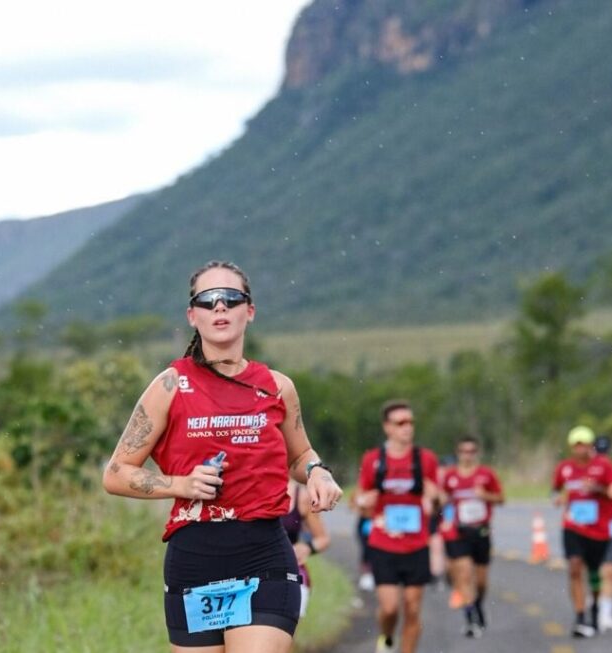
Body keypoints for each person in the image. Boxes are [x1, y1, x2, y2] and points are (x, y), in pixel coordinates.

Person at [102, 260, 343, 652]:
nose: (219, 307)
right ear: (192, 315)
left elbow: (300, 456)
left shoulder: (277, 387)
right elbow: (115, 473)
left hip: (264, 557)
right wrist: (181, 484)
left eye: (231, 298)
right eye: (207, 300)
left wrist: (318, 472)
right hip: (195, 561)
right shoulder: (170, 385)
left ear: (249, 311)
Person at [355, 399, 439, 653]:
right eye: (401, 423)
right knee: (390, 608)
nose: (407, 427)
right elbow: (359, 501)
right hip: (383, 543)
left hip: (416, 544)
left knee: (412, 608)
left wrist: (434, 497)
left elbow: (437, 503)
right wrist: (363, 501)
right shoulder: (373, 460)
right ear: (387, 428)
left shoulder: (425, 459)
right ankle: (387, 636)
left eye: (410, 422)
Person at [551, 425, 612, 638]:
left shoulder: (604, 466)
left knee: (595, 574)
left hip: (599, 530)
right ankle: (580, 617)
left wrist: (597, 489)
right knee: (574, 568)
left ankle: (596, 607)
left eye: (584, 444)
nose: (580, 449)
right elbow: (556, 488)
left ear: (591, 445)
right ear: (572, 447)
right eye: (576, 445)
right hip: (573, 527)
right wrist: (558, 497)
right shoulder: (565, 468)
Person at [440, 436, 504, 638]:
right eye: (463, 451)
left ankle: (478, 605)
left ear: (476, 453)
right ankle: (470, 618)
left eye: (471, 451)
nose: (467, 455)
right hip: (460, 532)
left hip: (481, 532)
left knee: (481, 581)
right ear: (458, 453)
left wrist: (486, 496)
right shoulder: (450, 476)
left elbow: (501, 498)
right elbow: (441, 501)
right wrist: (443, 514)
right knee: (465, 574)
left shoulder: (486, 474)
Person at [281, 479, 331, 618]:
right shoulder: (250, 490)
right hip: (253, 572)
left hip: (290, 572)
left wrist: (307, 547)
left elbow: (323, 539)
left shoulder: (301, 496)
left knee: (283, 634)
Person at [593, 435, 612, 632]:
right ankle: (591, 606)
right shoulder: (586, 469)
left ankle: (606, 613)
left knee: (609, 571)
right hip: (588, 529)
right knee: (592, 572)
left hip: (610, 527)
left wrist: (601, 488)